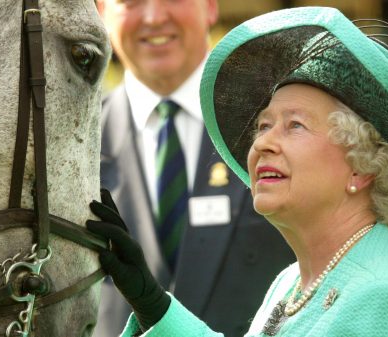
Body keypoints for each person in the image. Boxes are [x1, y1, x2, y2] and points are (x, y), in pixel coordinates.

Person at [87, 6, 388, 336]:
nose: (263, 143)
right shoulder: (292, 282)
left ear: (362, 168)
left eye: (294, 125)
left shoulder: (383, 298)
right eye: (263, 126)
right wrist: (154, 306)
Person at [93, 0, 295, 336]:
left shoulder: (280, 127)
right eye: (131, 1)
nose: (155, 17)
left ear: (211, 7)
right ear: (101, 13)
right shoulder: (69, 143)